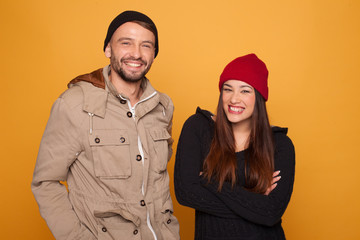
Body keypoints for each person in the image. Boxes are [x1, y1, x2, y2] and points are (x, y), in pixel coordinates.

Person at [31, 10, 180, 240]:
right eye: (126, 43)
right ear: (108, 49)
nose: (136, 53)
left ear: (154, 54)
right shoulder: (74, 104)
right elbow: (45, 183)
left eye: (146, 45)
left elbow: (155, 179)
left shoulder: (162, 106)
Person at [174, 54, 295, 239]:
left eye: (245, 91)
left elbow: (271, 213)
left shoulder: (280, 144)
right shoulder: (198, 127)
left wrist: (209, 181)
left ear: (259, 97)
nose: (234, 99)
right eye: (228, 89)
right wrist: (254, 201)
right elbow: (186, 193)